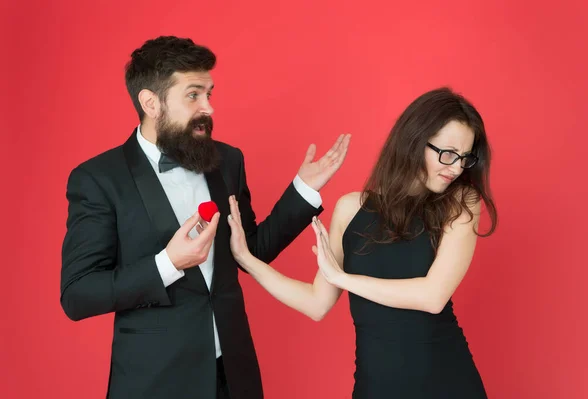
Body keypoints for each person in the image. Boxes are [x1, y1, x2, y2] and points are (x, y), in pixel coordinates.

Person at [59, 35, 350, 399]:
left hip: (233, 374)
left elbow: (251, 250)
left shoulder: (228, 161)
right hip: (156, 382)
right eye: (194, 95)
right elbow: (78, 295)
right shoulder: (98, 179)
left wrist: (303, 190)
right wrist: (168, 263)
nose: (208, 108)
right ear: (150, 102)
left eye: (209, 94)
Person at [227, 87, 497, 398]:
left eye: (465, 157)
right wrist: (248, 260)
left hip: (445, 383)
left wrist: (342, 278)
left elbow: (432, 296)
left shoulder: (462, 201)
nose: (456, 167)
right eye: (447, 154)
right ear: (414, 140)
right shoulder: (351, 208)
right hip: (374, 387)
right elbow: (316, 303)